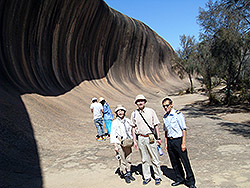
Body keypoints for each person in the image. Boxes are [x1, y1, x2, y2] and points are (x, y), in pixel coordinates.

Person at [162, 97, 196, 188]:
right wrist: (166, 143)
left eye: (167, 105)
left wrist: (183, 143)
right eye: (164, 106)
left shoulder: (178, 115)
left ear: (171, 105)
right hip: (170, 141)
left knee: (185, 161)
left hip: (178, 140)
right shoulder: (165, 117)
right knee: (175, 162)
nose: (166, 107)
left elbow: (183, 129)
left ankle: (191, 181)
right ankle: (180, 178)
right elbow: (166, 131)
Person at [131, 94, 162, 185]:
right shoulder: (134, 113)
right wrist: (134, 141)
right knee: (144, 159)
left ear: (145, 102)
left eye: (142, 101)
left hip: (151, 136)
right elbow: (133, 127)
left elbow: (156, 125)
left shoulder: (151, 111)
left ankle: (157, 176)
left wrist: (158, 138)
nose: (140, 102)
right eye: (138, 101)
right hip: (141, 137)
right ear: (136, 103)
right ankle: (147, 176)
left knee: (154, 157)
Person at [110, 105, 136, 184]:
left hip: (127, 142)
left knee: (128, 158)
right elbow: (113, 134)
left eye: (122, 111)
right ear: (116, 113)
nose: (120, 112)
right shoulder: (115, 122)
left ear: (124, 112)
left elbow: (133, 129)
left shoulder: (128, 121)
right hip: (119, 142)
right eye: (119, 111)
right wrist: (115, 145)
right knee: (122, 159)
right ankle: (124, 174)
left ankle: (129, 172)